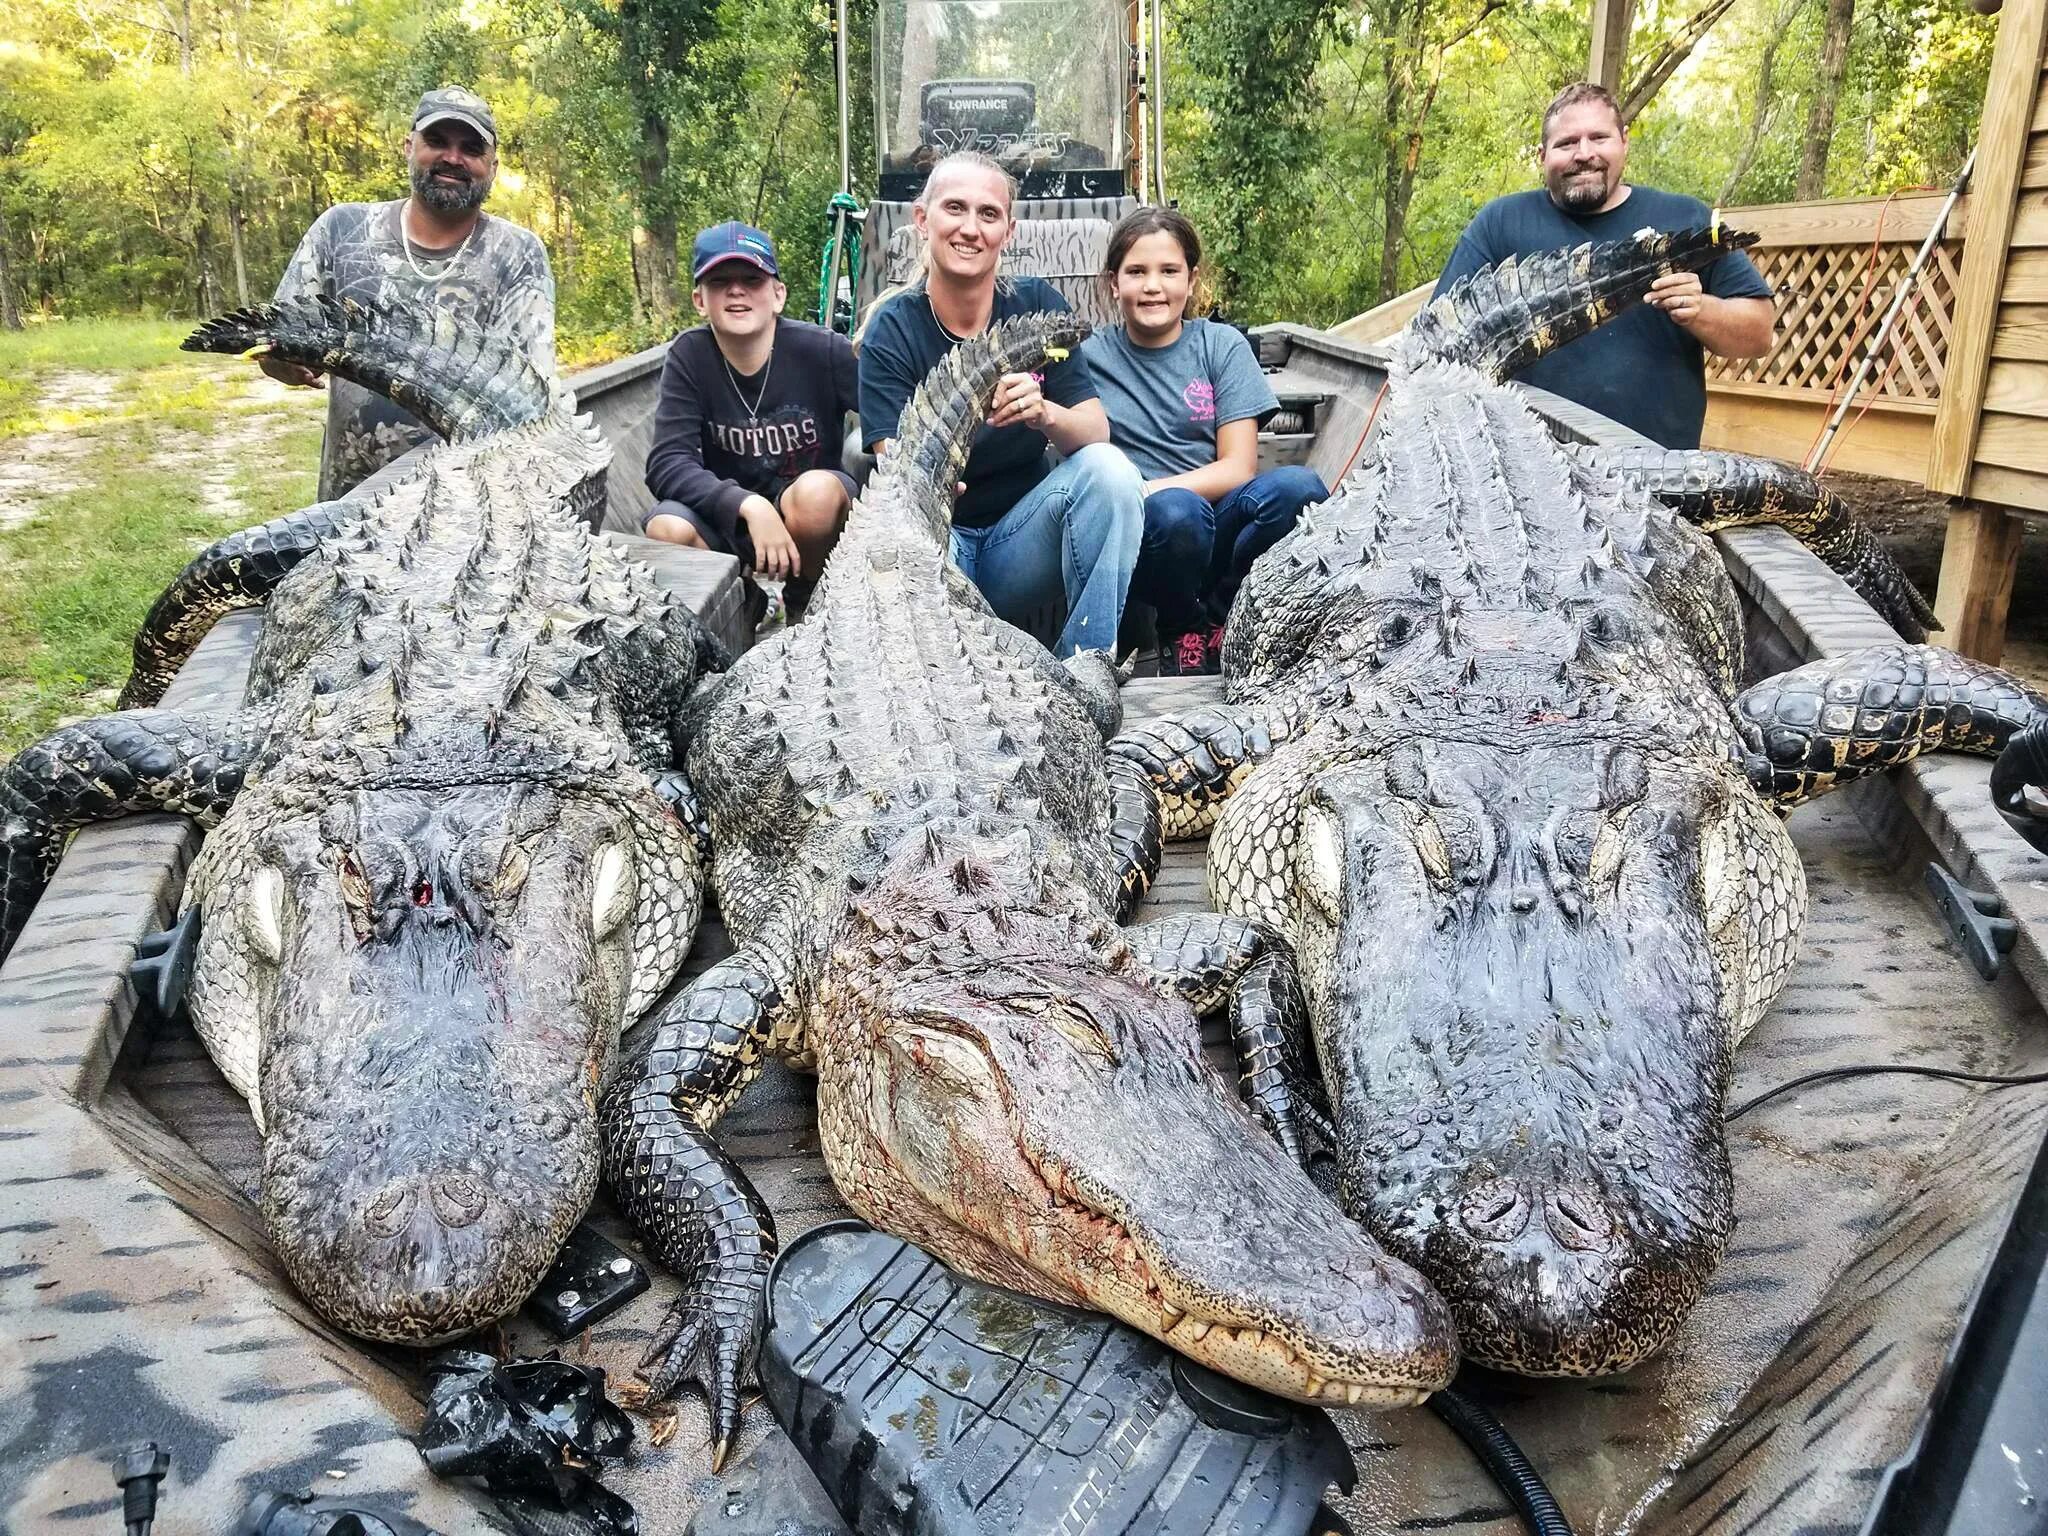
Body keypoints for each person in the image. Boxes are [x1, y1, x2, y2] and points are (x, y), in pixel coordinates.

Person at [857, 151, 1144, 659]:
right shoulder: (892, 330)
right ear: (923, 220)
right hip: (938, 544)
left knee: (1111, 472)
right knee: (905, 530)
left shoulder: (1039, 308)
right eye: (955, 209)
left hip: (1022, 540)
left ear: (1008, 232)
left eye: (988, 214)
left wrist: (1045, 414)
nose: (971, 228)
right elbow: (895, 471)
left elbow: (1095, 431)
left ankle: (1087, 666)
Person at [1434, 81, 1775, 450]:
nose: (1584, 153)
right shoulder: (1500, 223)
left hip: (1656, 476)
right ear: (1542, 155)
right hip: (1531, 470)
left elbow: (1759, 334)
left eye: (1599, 138)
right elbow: (1440, 337)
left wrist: (1699, 309)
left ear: (1624, 142)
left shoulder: (1684, 218)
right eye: (1566, 143)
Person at [265, 86, 556, 502]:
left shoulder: (517, 254)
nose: (453, 158)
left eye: (471, 148)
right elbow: (277, 338)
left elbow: (531, 397)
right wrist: (279, 363)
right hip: (350, 505)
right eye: (437, 141)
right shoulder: (341, 231)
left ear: (492, 166)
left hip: (464, 510)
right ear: (408, 146)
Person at [1083, 207, 1327, 675]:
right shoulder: (1089, 355)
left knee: (1301, 490)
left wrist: (1147, 491)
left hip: (1213, 518)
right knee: (1177, 513)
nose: (1153, 285)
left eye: (1169, 271)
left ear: (1192, 280)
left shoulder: (1220, 346)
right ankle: (1182, 630)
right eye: (1137, 272)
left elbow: (1238, 468)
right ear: (1114, 283)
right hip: (1148, 536)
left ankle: (1221, 616)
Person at [642, 222, 860, 619]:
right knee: (665, 530)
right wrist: (748, 505)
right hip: (731, 524)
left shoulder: (823, 350)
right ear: (699, 300)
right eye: (720, 281)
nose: (737, 290)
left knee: (816, 495)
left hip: (809, 522)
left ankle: (805, 602)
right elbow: (667, 463)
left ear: (778, 295)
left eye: (752, 279)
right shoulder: (689, 357)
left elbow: (890, 411)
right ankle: (741, 605)